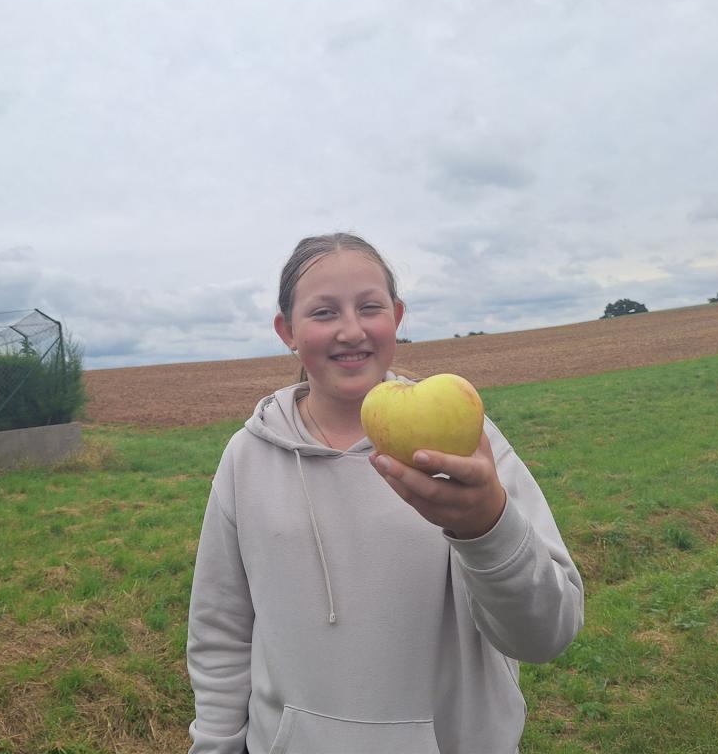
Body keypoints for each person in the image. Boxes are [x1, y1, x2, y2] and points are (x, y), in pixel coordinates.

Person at [186, 233, 584, 754]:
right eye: (324, 312)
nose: (351, 330)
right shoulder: (248, 456)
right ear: (287, 331)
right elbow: (220, 630)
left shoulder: (465, 445)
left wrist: (487, 526)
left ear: (396, 317)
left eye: (369, 307)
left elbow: (547, 635)